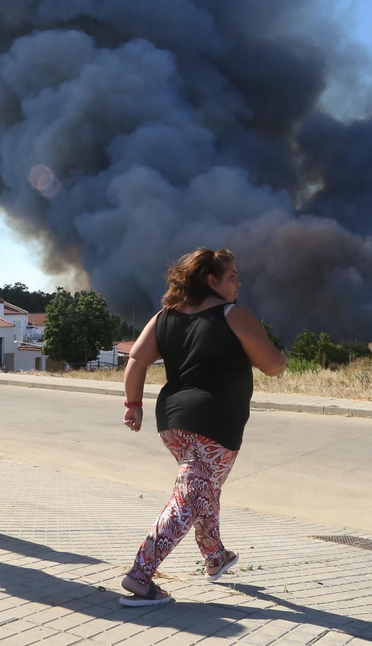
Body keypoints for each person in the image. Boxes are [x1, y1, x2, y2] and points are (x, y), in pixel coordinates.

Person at [117, 248, 286, 606]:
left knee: (202, 489)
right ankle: (140, 575)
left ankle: (215, 558)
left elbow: (136, 359)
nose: (239, 282)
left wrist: (133, 405)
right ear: (212, 281)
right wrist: (279, 357)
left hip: (173, 422)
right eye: (232, 276)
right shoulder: (233, 314)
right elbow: (273, 366)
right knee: (189, 497)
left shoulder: (165, 317)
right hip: (215, 423)